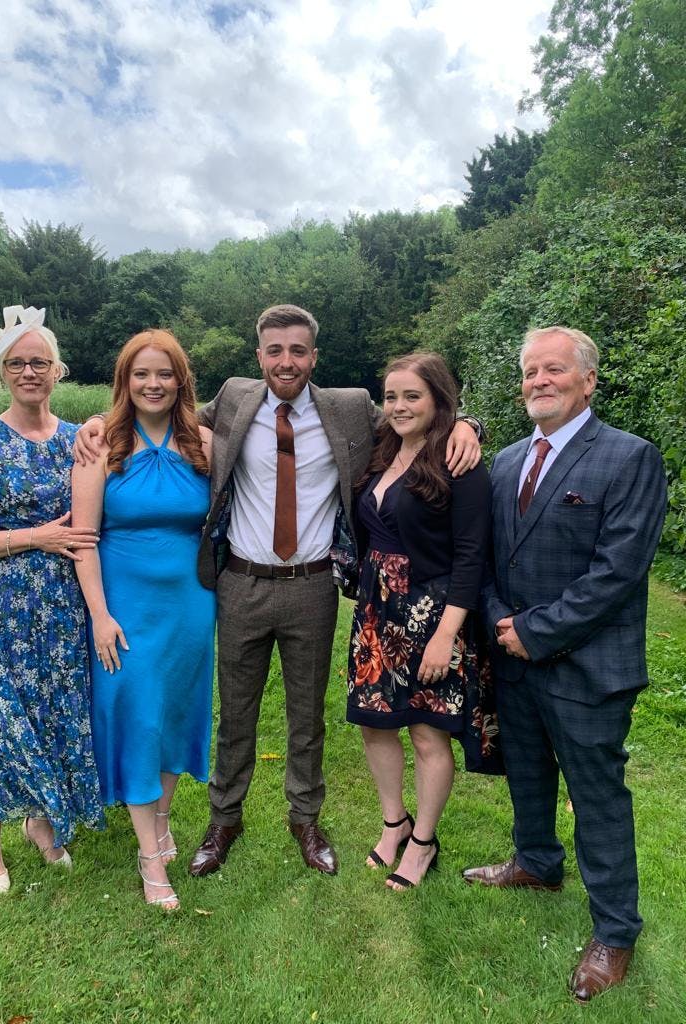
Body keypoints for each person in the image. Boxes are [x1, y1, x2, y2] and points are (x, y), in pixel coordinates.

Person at [75, 304, 481, 877]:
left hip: (311, 586)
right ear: (259, 355)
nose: (285, 361)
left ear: (315, 356)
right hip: (240, 582)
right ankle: (224, 819)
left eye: (297, 351)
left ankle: (306, 819)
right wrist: (96, 420)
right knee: (235, 713)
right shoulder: (234, 401)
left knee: (305, 715)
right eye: (274, 351)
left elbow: (420, 412)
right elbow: (158, 407)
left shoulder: (349, 408)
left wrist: (469, 425)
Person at [464, 326, 667, 1002]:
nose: (538, 381)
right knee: (526, 772)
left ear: (587, 381)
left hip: (586, 666)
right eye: (529, 372)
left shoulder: (629, 458)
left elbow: (618, 573)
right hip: (515, 658)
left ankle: (614, 932)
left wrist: (535, 631)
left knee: (598, 798)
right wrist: (501, 624)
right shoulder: (506, 461)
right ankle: (537, 863)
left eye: (554, 370)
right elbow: (489, 556)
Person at [0, 305, 104, 892]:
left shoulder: (76, 441)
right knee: (13, 715)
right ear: (2, 372)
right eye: (18, 363)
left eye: (40, 362)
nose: (30, 371)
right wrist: (38, 535)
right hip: (7, 605)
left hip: (65, 601)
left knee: (60, 711)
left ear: (58, 371)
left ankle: (40, 818)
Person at [72, 329, 215, 911]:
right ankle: (149, 857)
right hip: (124, 605)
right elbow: (83, 539)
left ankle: (160, 820)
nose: (152, 385)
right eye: (140, 375)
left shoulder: (204, 440)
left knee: (176, 714)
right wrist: (100, 616)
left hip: (190, 605)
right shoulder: (100, 442)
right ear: (124, 381)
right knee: (135, 715)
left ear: (181, 380)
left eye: (164, 374)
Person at [347, 352, 499, 891]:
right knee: (373, 722)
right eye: (391, 396)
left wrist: (445, 635)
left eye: (413, 396)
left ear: (439, 400)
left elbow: (471, 556)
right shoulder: (381, 449)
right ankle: (395, 823)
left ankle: (423, 843)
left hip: (431, 615)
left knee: (426, 734)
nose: (399, 406)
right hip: (375, 614)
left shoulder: (460, 462)